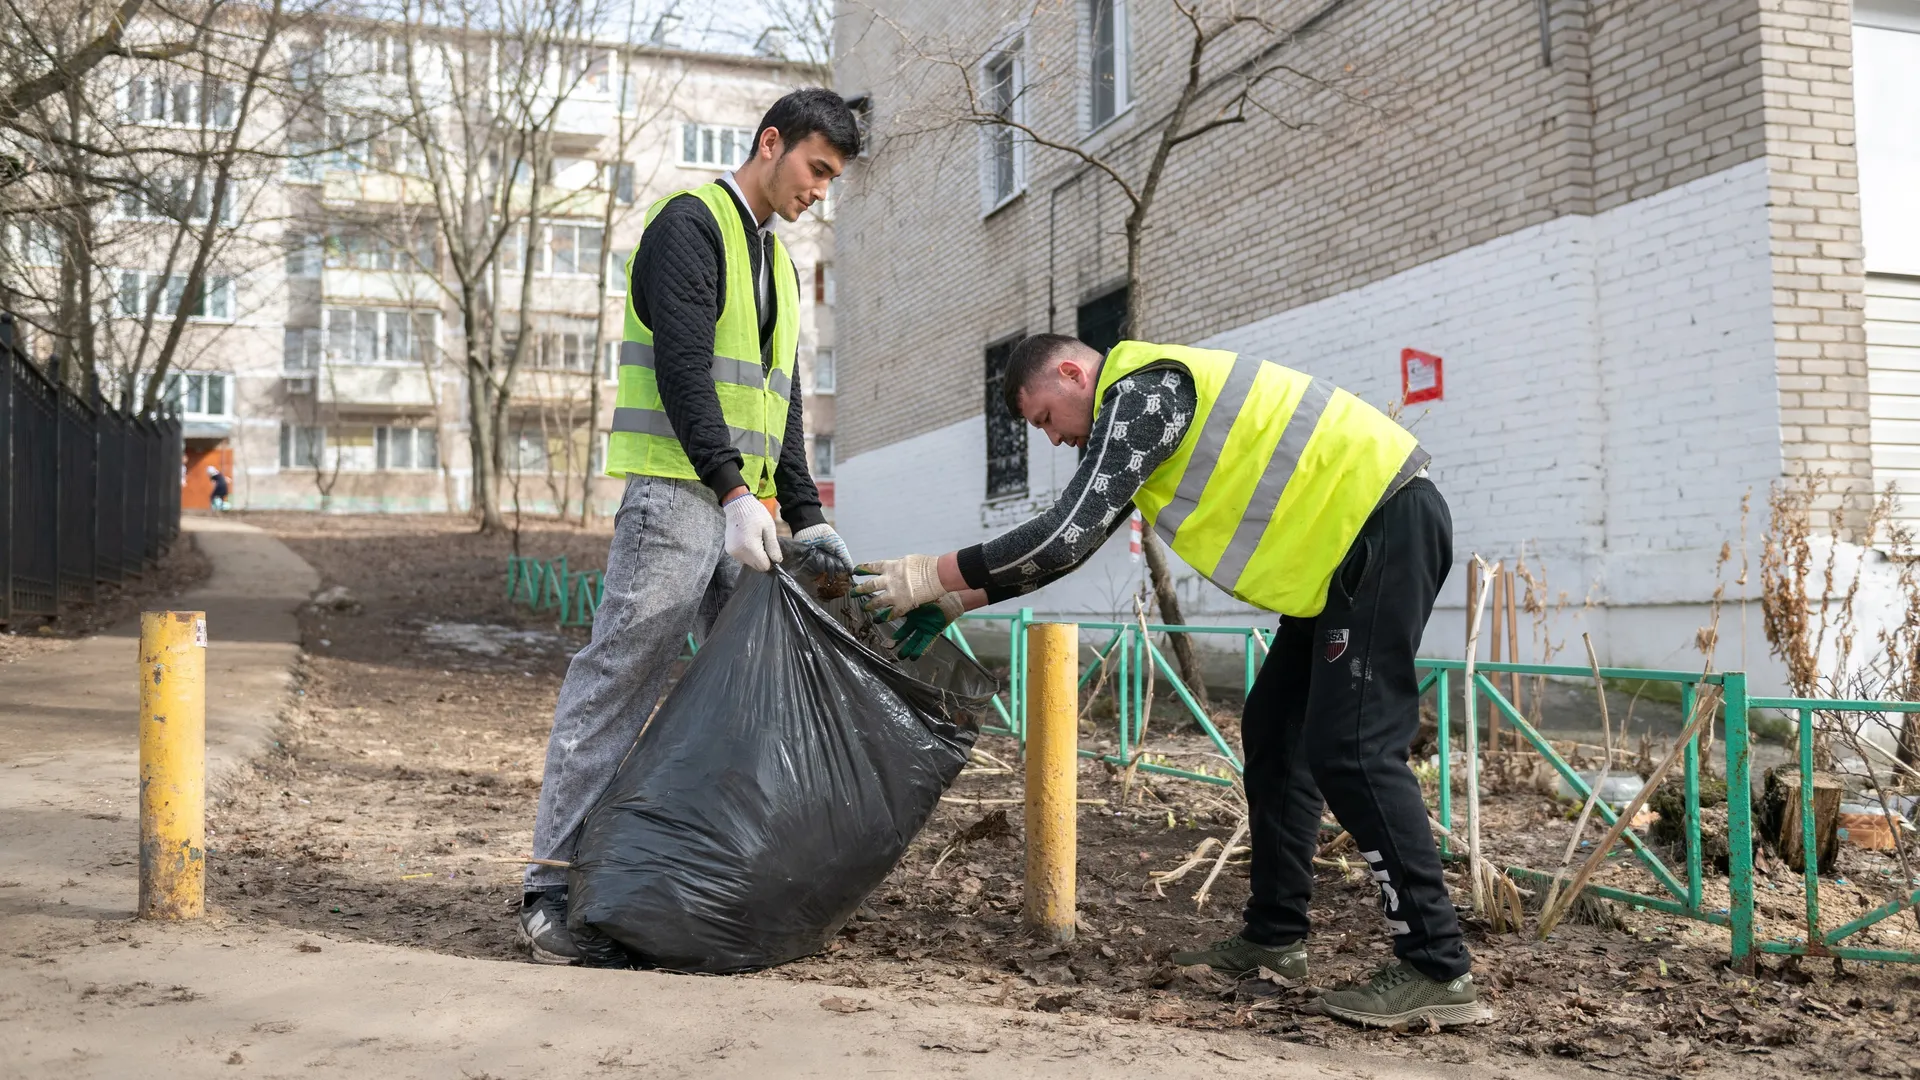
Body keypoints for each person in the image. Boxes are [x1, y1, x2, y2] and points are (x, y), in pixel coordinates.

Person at [855, 335, 1488, 1029]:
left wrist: (930, 573)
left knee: (1354, 749)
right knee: (1274, 736)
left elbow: (1062, 533)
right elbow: (1078, 544)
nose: (1053, 438)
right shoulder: (1136, 415)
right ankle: (1275, 940)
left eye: (1044, 419)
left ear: (1072, 372)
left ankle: (1436, 965)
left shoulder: (1146, 395)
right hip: (1339, 554)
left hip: (1381, 527)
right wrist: (955, 602)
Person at [518, 88, 859, 963]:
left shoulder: (778, 264)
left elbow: (777, 400)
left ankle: (694, 888)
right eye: (816, 169)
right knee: (622, 677)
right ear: (771, 143)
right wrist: (730, 491)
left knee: (752, 698)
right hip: (677, 499)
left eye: (832, 179)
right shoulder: (689, 224)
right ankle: (551, 887)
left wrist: (808, 512)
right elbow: (682, 366)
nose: (820, 190)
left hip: (744, 513)